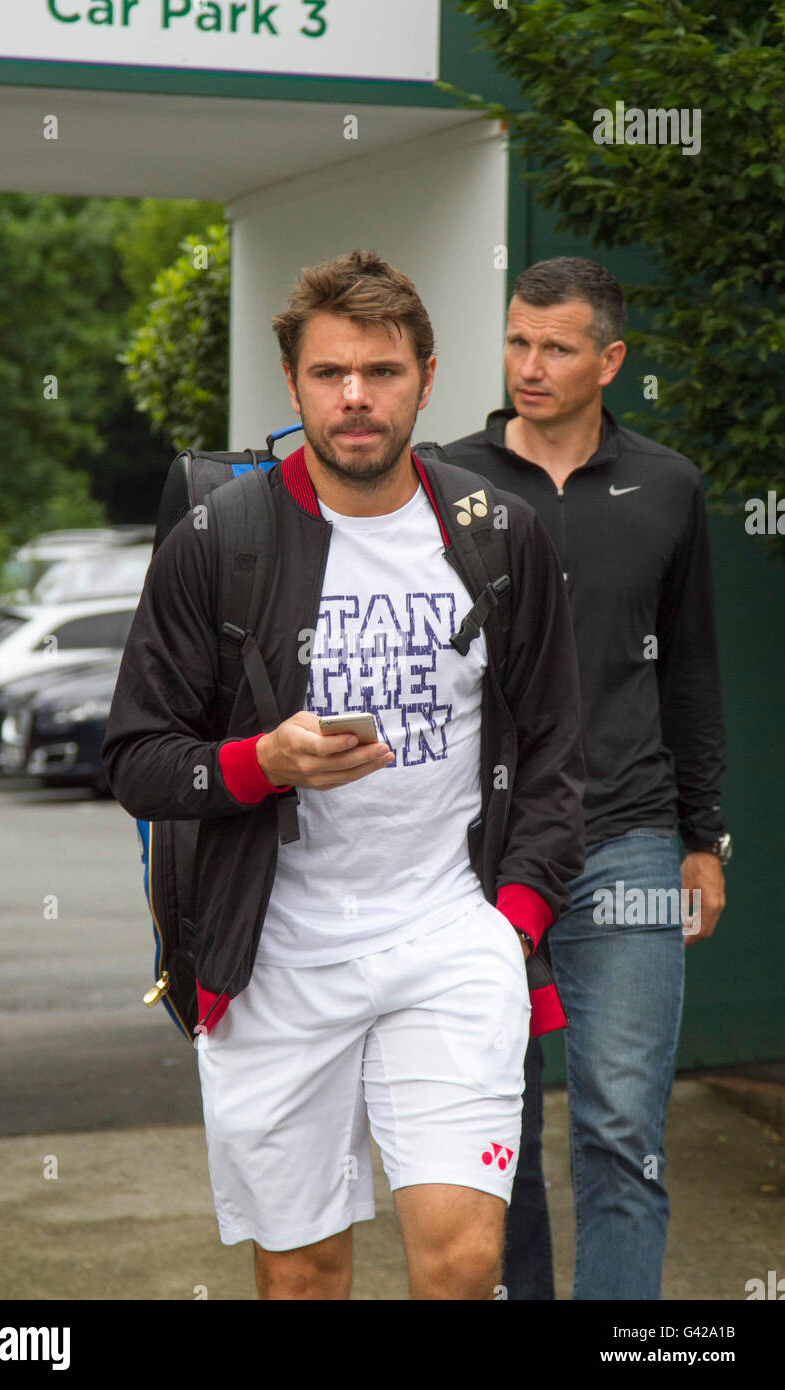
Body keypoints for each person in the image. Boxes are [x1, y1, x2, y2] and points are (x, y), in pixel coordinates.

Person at [102, 249, 585, 1300]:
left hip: (451, 941)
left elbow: (553, 750)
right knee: (304, 1278)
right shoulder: (215, 544)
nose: (355, 398)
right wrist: (262, 760)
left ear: (424, 375)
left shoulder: (499, 538)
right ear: (293, 385)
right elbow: (137, 757)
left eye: (381, 371)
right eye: (329, 374)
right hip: (274, 958)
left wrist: (512, 920)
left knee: (460, 1266)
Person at [443, 256, 730, 1301]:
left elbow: (689, 669)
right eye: (517, 340)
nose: (528, 364)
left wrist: (705, 837)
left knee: (617, 1120)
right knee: (490, 1125)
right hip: (475, 852)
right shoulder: (446, 481)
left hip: (626, 838)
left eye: (556, 347)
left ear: (608, 359)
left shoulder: (665, 485)